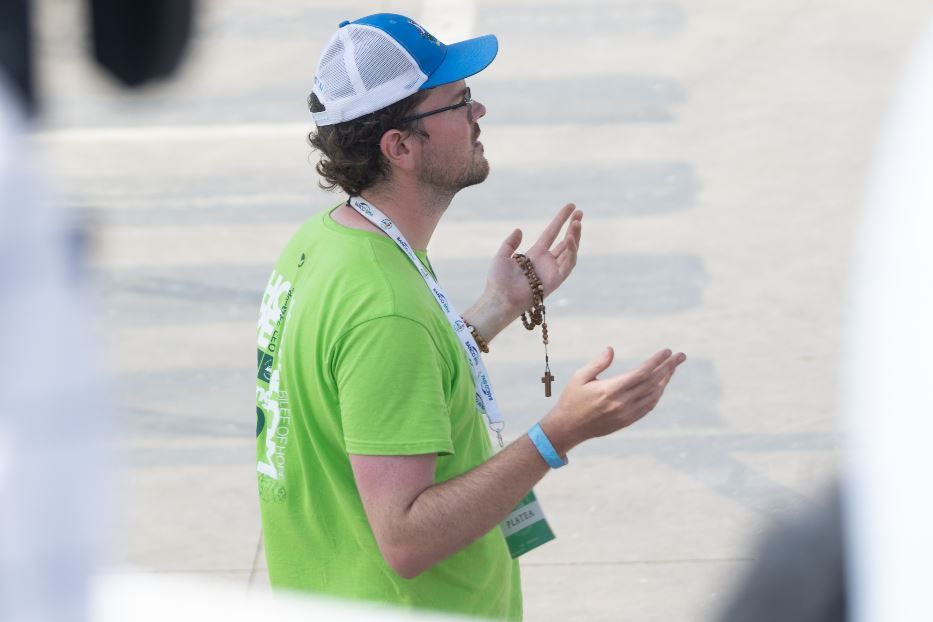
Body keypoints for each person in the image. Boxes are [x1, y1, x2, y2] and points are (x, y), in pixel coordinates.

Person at [255, 13, 686, 620]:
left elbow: (377, 386)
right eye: (458, 103)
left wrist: (496, 307)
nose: (478, 113)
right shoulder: (384, 308)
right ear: (399, 146)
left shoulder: (324, 244)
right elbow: (405, 539)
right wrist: (556, 435)